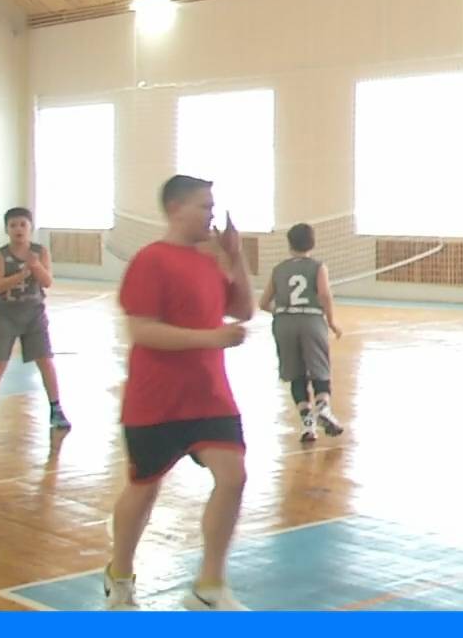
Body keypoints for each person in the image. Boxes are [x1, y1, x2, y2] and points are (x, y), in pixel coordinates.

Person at [104, 175, 256, 611]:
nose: (212, 214)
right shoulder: (151, 261)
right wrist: (211, 338)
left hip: (210, 397)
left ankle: (210, 585)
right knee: (143, 489)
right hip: (157, 401)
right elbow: (143, 330)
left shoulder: (209, 261)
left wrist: (235, 256)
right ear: (176, 209)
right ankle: (120, 574)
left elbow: (243, 308)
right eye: (204, 206)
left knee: (233, 477)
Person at [0, 207, 69, 440]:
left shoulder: (40, 252)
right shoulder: (0, 255)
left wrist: (35, 266)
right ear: (6, 229)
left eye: (22, 224)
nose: (18, 229)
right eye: (13, 225)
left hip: (34, 315)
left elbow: (47, 282)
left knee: (45, 361)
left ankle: (56, 409)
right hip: (5, 316)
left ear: (30, 228)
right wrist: (20, 275)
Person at [257, 223, 343, 443]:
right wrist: (332, 321)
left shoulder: (279, 269)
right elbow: (324, 294)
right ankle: (323, 407)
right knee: (320, 369)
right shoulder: (318, 267)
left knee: (296, 374)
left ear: (289, 244)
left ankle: (307, 425)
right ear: (312, 243)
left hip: (283, 323)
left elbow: (263, 303)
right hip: (311, 320)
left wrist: (283, 311)